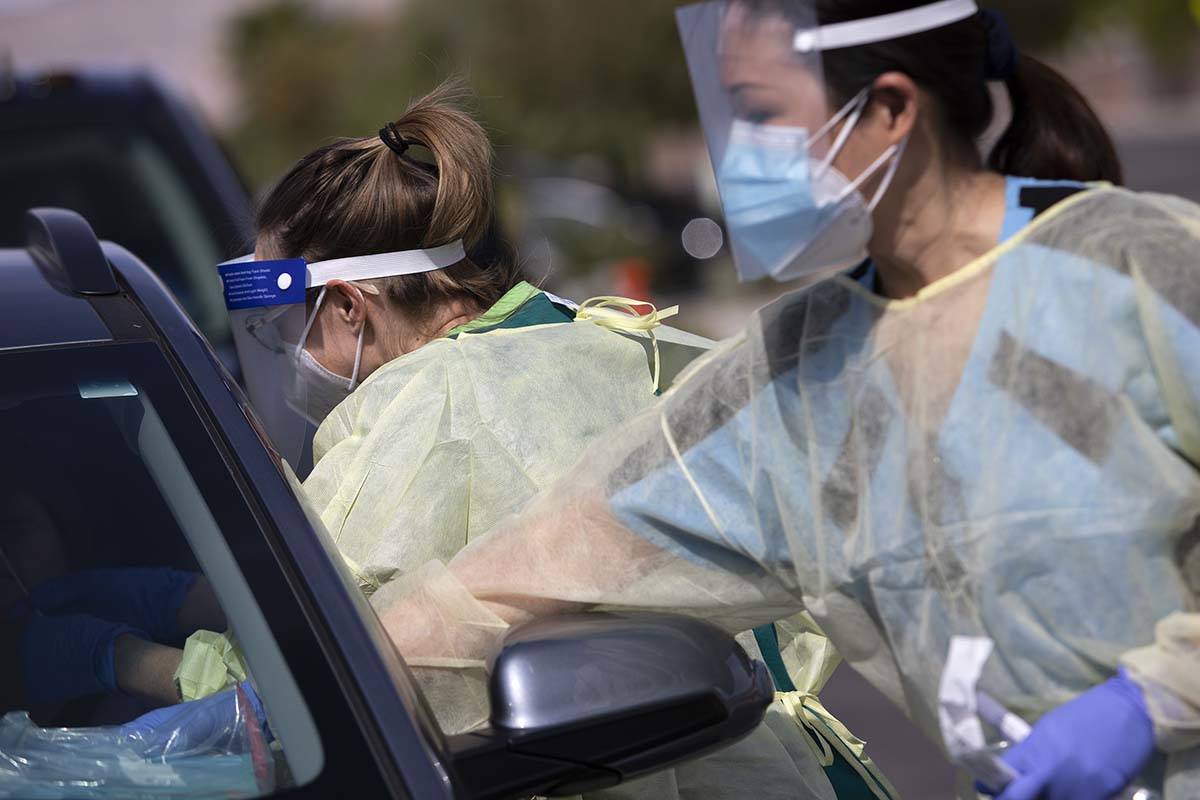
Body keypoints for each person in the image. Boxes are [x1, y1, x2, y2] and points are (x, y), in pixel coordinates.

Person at [366, 4, 1200, 800]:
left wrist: (1152, 701)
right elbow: (538, 564)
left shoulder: (1139, 270)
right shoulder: (801, 374)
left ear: (890, 109)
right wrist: (309, 696)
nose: (739, 158)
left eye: (759, 114)